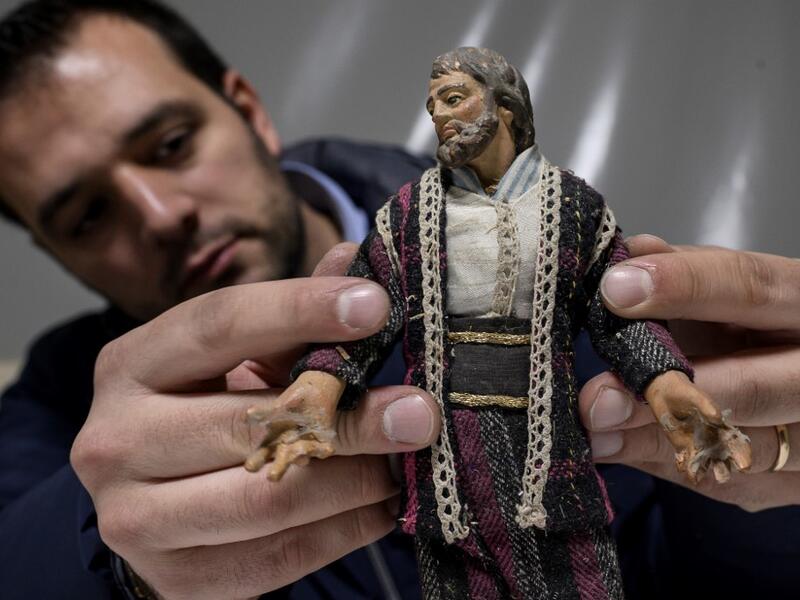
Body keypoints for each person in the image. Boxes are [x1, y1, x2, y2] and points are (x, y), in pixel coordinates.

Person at [0, 1, 797, 599]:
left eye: (171, 145)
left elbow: (625, 336)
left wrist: (696, 400)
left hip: (554, 489)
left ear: (247, 111)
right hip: (446, 507)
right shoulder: (62, 401)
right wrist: (113, 554)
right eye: (87, 214)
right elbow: (354, 337)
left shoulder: (572, 216)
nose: (159, 214)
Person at [253, 47, 747, 600]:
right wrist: (319, 385)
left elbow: (617, 314)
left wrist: (668, 383)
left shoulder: (574, 207)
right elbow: (370, 315)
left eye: (455, 98)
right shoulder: (408, 215)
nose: (440, 115)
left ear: (505, 107)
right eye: (433, 104)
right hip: (447, 465)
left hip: (550, 453)